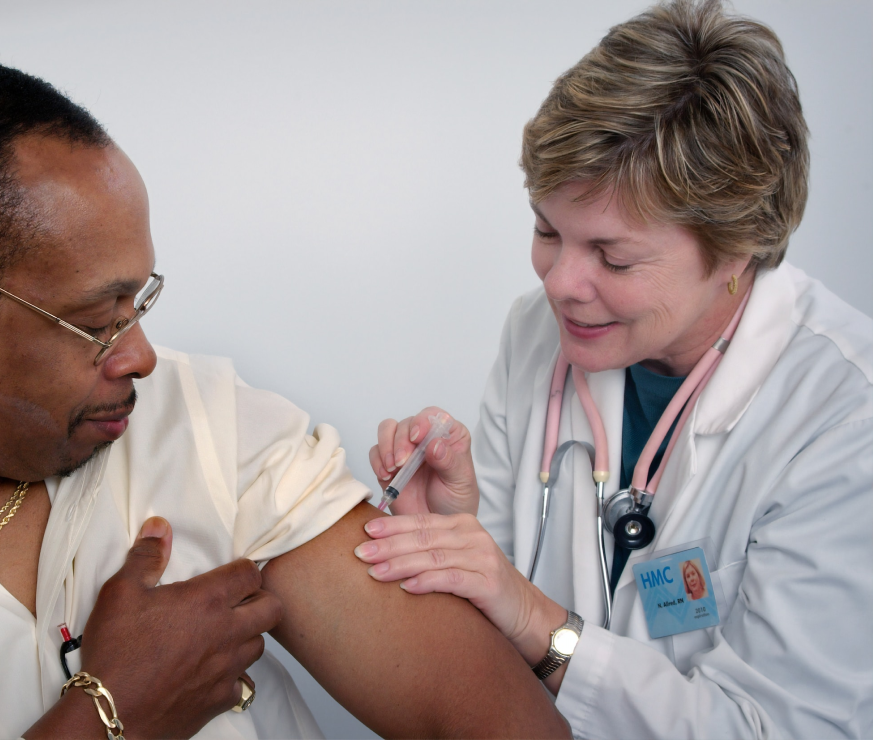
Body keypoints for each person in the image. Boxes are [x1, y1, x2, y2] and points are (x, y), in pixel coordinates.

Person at [0, 58, 570, 739]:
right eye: (94, 322)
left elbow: (506, 729)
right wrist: (113, 714)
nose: (141, 357)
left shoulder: (201, 419)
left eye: (137, 306)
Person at [356, 1, 873, 737]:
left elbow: (779, 728)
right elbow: (490, 614)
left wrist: (537, 620)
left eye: (613, 256)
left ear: (735, 248)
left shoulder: (845, 416)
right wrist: (457, 533)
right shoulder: (539, 334)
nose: (559, 282)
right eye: (545, 230)